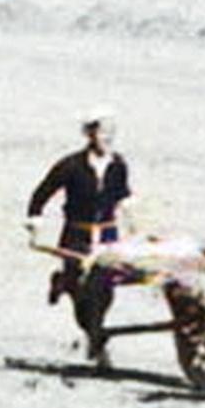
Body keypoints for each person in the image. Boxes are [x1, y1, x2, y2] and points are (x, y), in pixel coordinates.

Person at [24, 111, 134, 363]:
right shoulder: (71, 166)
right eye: (101, 131)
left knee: (105, 291)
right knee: (82, 294)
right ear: (89, 134)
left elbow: (123, 196)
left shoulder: (118, 165)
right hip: (77, 235)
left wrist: (135, 218)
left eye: (110, 132)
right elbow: (42, 193)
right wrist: (35, 219)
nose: (107, 137)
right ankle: (94, 335)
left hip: (107, 236)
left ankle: (96, 336)